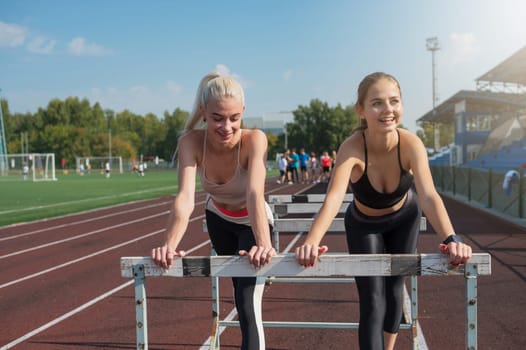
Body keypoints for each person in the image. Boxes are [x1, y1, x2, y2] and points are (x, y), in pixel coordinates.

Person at [295, 72, 472, 350]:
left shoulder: (411, 144)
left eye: (394, 101)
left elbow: (428, 195)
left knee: (393, 295)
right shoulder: (352, 148)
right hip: (364, 224)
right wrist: (311, 241)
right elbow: (333, 199)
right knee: (372, 300)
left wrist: (451, 239)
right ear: (361, 110)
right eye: (377, 103)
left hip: (405, 218)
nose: (388, 110)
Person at [151, 72, 275, 350]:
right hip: (219, 220)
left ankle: (263, 271)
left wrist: (264, 244)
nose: (227, 126)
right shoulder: (190, 142)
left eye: (234, 118)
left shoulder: (255, 140)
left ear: (243, 111)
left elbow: (255, 193)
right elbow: (185, 198)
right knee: (238, 286)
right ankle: (259, 278)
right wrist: (168, 246)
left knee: (246, 300)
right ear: (203, 112)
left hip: (253, 221)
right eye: (218, 118)